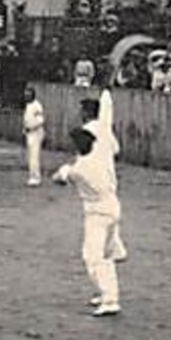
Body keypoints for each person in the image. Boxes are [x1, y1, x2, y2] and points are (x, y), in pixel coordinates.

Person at [51, 127, 126, 317]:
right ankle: (108, 294)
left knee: (93, 257)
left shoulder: (79, 169)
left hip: (97, 214)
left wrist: (61, 172)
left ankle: (110, 300)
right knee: (107, 256)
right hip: (113, 207)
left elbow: (60, 177)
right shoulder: (100, 159)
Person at [22, 85, 45, 187]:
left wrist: (31, 127)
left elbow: (40, 120)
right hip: (29, 133)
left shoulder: (37, 106)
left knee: (34, 156)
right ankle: (32, 176)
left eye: (29, 94)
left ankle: (35, 178)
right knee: (30, 156)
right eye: (26, 94)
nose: (26, 95)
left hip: (36, 132)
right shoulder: (28, 105)